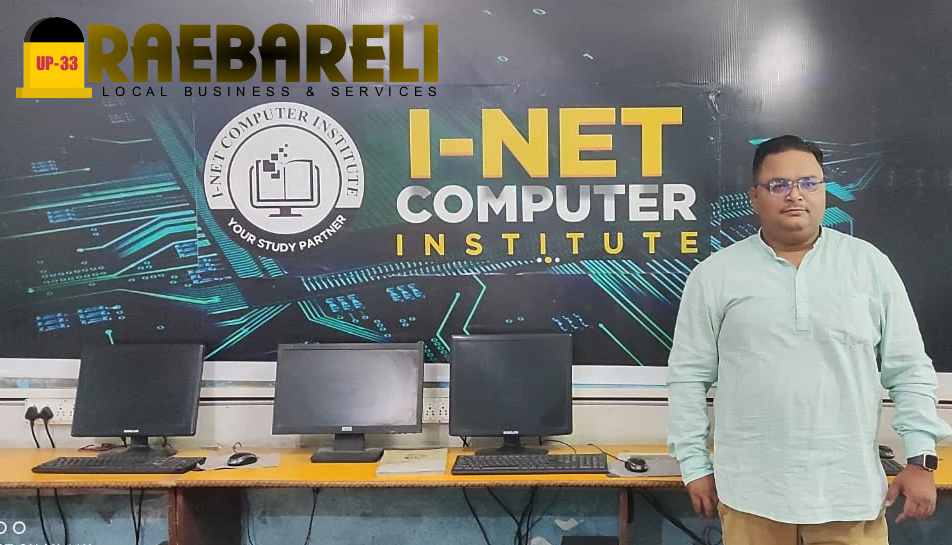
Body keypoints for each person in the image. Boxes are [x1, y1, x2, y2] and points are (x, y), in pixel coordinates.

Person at [666, 134, 951, 544]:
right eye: (778, 184)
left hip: (848, 495)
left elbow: (909, 370)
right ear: (754, 197)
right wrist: (694, 465)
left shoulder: (870, 267)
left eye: (808, 182)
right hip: (751, 497)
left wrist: (921, 460)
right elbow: (687, 378)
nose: (795, 195)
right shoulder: (714, 276)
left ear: (823, 190)